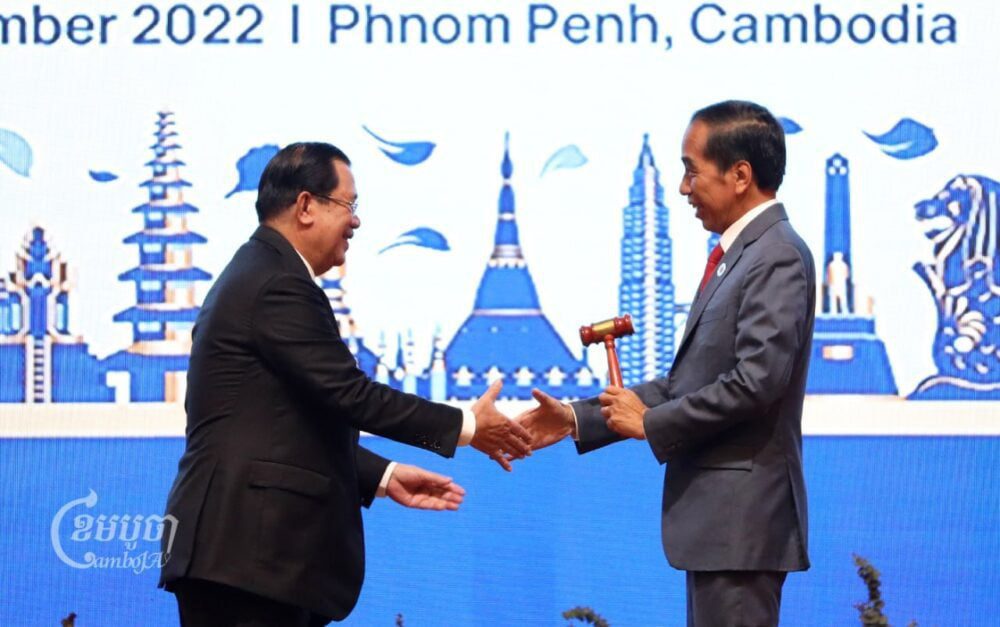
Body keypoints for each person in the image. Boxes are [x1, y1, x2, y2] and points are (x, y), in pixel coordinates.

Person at [158, 142, 532, 626]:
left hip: (248, 559)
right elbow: (349, 394)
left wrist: (381, 475)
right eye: (348, 206)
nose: (355, 222)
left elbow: (282, 422)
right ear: (306, 206)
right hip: (248, 559)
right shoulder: (277, 284)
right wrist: (466, 425)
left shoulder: (260, 273)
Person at [519, 101, 815, 626]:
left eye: (691, 170)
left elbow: (757, 382)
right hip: (721, 529)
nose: (683, 188)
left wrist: (650, 423)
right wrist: (578, 417)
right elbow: (687, 383)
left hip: (741, 527)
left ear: (740, 175)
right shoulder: (740, 255)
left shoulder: (776, 255)